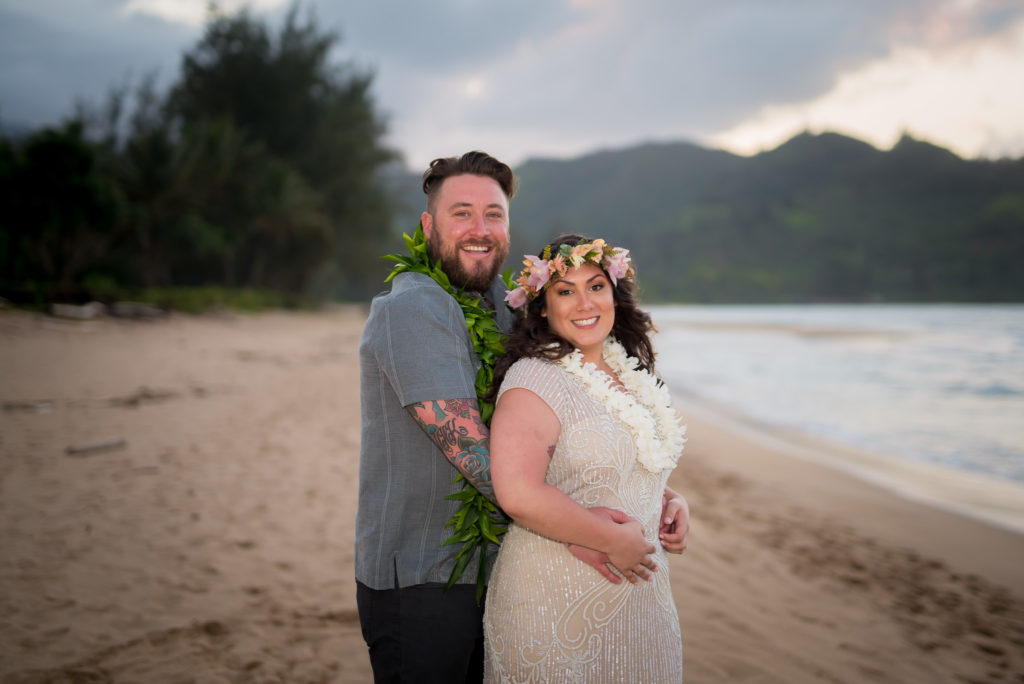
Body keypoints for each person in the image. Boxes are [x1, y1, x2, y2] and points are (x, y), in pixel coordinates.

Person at [356, 152, 690, 683]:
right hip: (422, 577)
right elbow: (481, 456)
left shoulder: (500, 304)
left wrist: (650, 494)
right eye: (461, 212)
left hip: (498, 564)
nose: (479, 229)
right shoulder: (412, 310)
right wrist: (581, 528)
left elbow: (571, 422)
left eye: (494, 214)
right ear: (428, 225)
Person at [483, 234, 688, 682]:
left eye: (595, 286)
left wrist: (668, 497)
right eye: (564, 291)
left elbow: (615, 455)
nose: (584, 303)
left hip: (638, 605)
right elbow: (517, 491)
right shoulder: (534, 378)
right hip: (557, 596)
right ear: (542, 307)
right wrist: (610, 539)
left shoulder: (626, 370)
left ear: (614, 293)